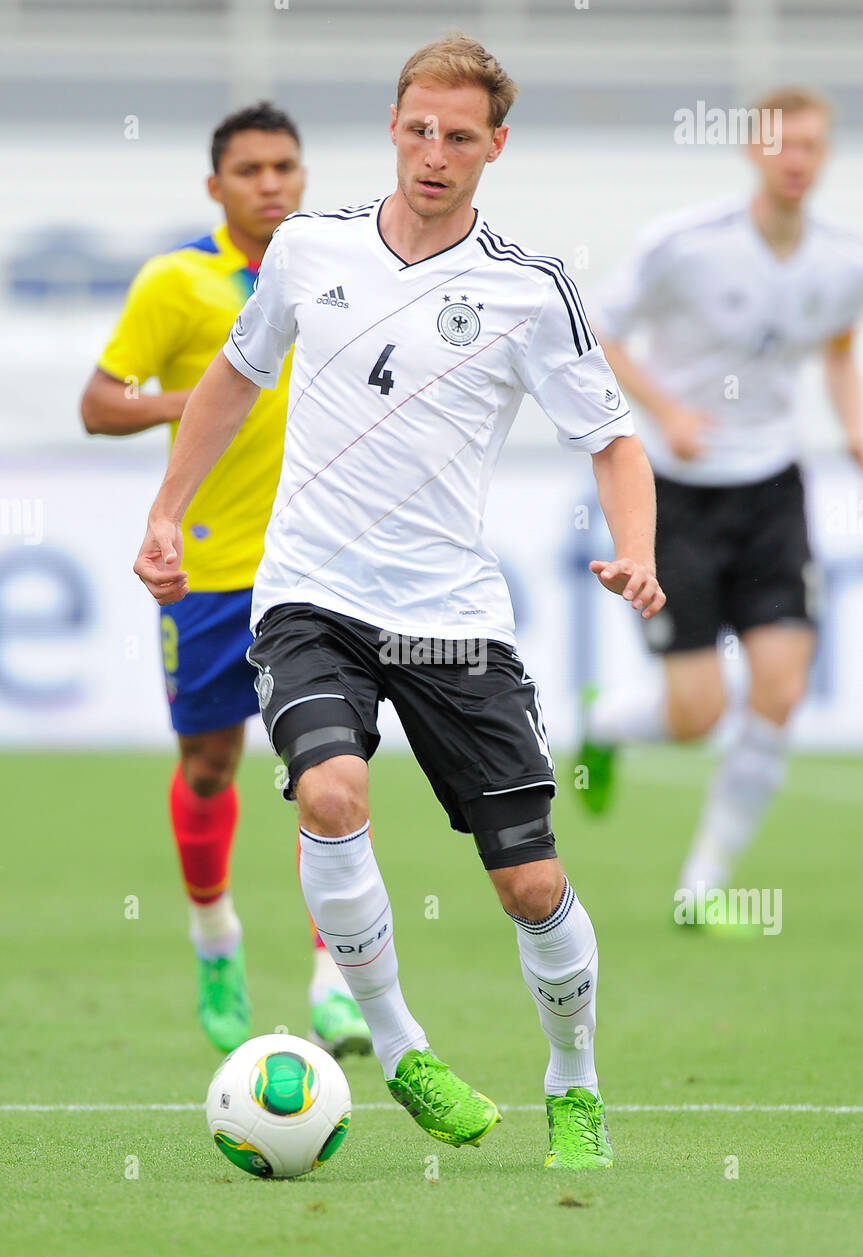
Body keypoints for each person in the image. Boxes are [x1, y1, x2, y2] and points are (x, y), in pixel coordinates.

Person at [133, 33, 664, 1170]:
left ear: (494, 146)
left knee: (529, 880)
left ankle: (573, 1079)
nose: (433, 153)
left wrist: (635, 550)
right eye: (417, 128)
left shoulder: (526, 289)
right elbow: (234, 375)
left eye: (459, 136)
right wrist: (168, 509)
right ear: (391, 124)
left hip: (449, 617)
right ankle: (400, 1044)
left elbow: (613, 437)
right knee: (327, 791)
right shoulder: (305, 249)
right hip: (309, 594)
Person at [82, 102, 372, 1056]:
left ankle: (335, 979)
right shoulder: (177, 282)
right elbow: (101, 401)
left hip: (322, 567)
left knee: (327, 771)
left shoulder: (340, 271)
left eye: (285, 165)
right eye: (248, 169)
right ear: (217, 186)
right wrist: (205, 392)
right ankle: (216, 941)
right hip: (211, 572)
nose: (270, 183)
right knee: (208, 765)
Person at [576, 87, 863, 928]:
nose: (797, 160)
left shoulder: (842, 262)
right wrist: (668, 413)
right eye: (783, 145)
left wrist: (852, 425)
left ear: (825, 154)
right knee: (696, 714)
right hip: (678, 493)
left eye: (812, 145)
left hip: (775, 486)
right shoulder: (686, 245)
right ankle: (609, 725)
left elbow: (840, 350)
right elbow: (599, 330)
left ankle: (700, 887)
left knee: (780, 685)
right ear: (752, 151)